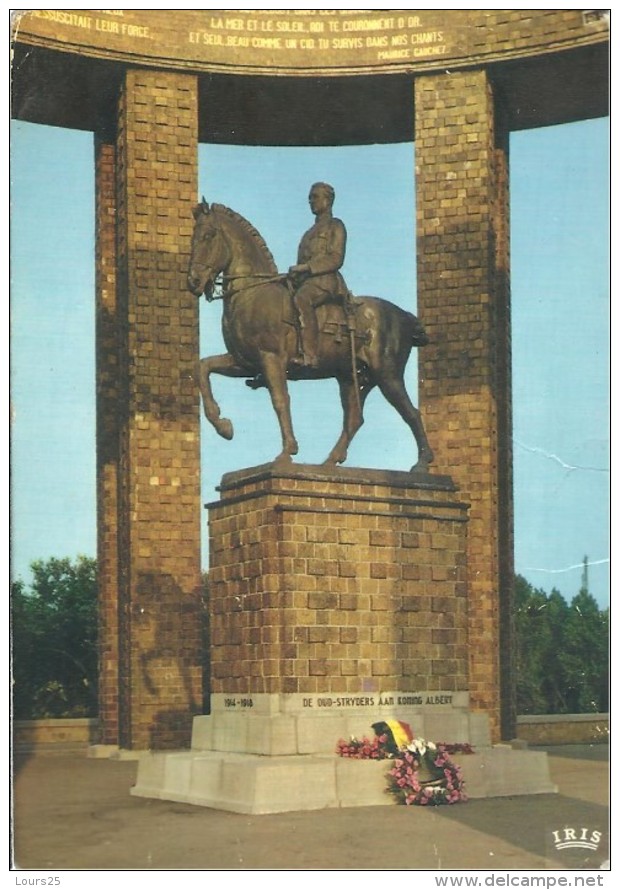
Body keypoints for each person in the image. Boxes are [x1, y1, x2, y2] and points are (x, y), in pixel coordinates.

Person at [288, 182, 349, 368]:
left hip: (326, 282)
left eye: (315, 196)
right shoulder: (307, 234)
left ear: (328, 200)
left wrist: (307, 268)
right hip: (307, 282)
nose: (310, 200)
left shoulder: (336, 226)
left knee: (302, 299)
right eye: (310, 197)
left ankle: (310, 355)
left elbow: (336, 258)